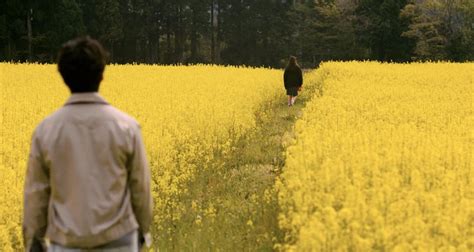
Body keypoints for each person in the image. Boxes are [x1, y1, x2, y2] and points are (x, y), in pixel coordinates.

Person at [22, 36, 153, 252]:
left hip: (66, 244)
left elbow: (36, 194)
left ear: (63, 77)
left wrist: (34, 242)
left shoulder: (45, 131)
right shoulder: (127, 127)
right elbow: (141, 189)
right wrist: (142, 233)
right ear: (102, 74)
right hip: (120, 242)